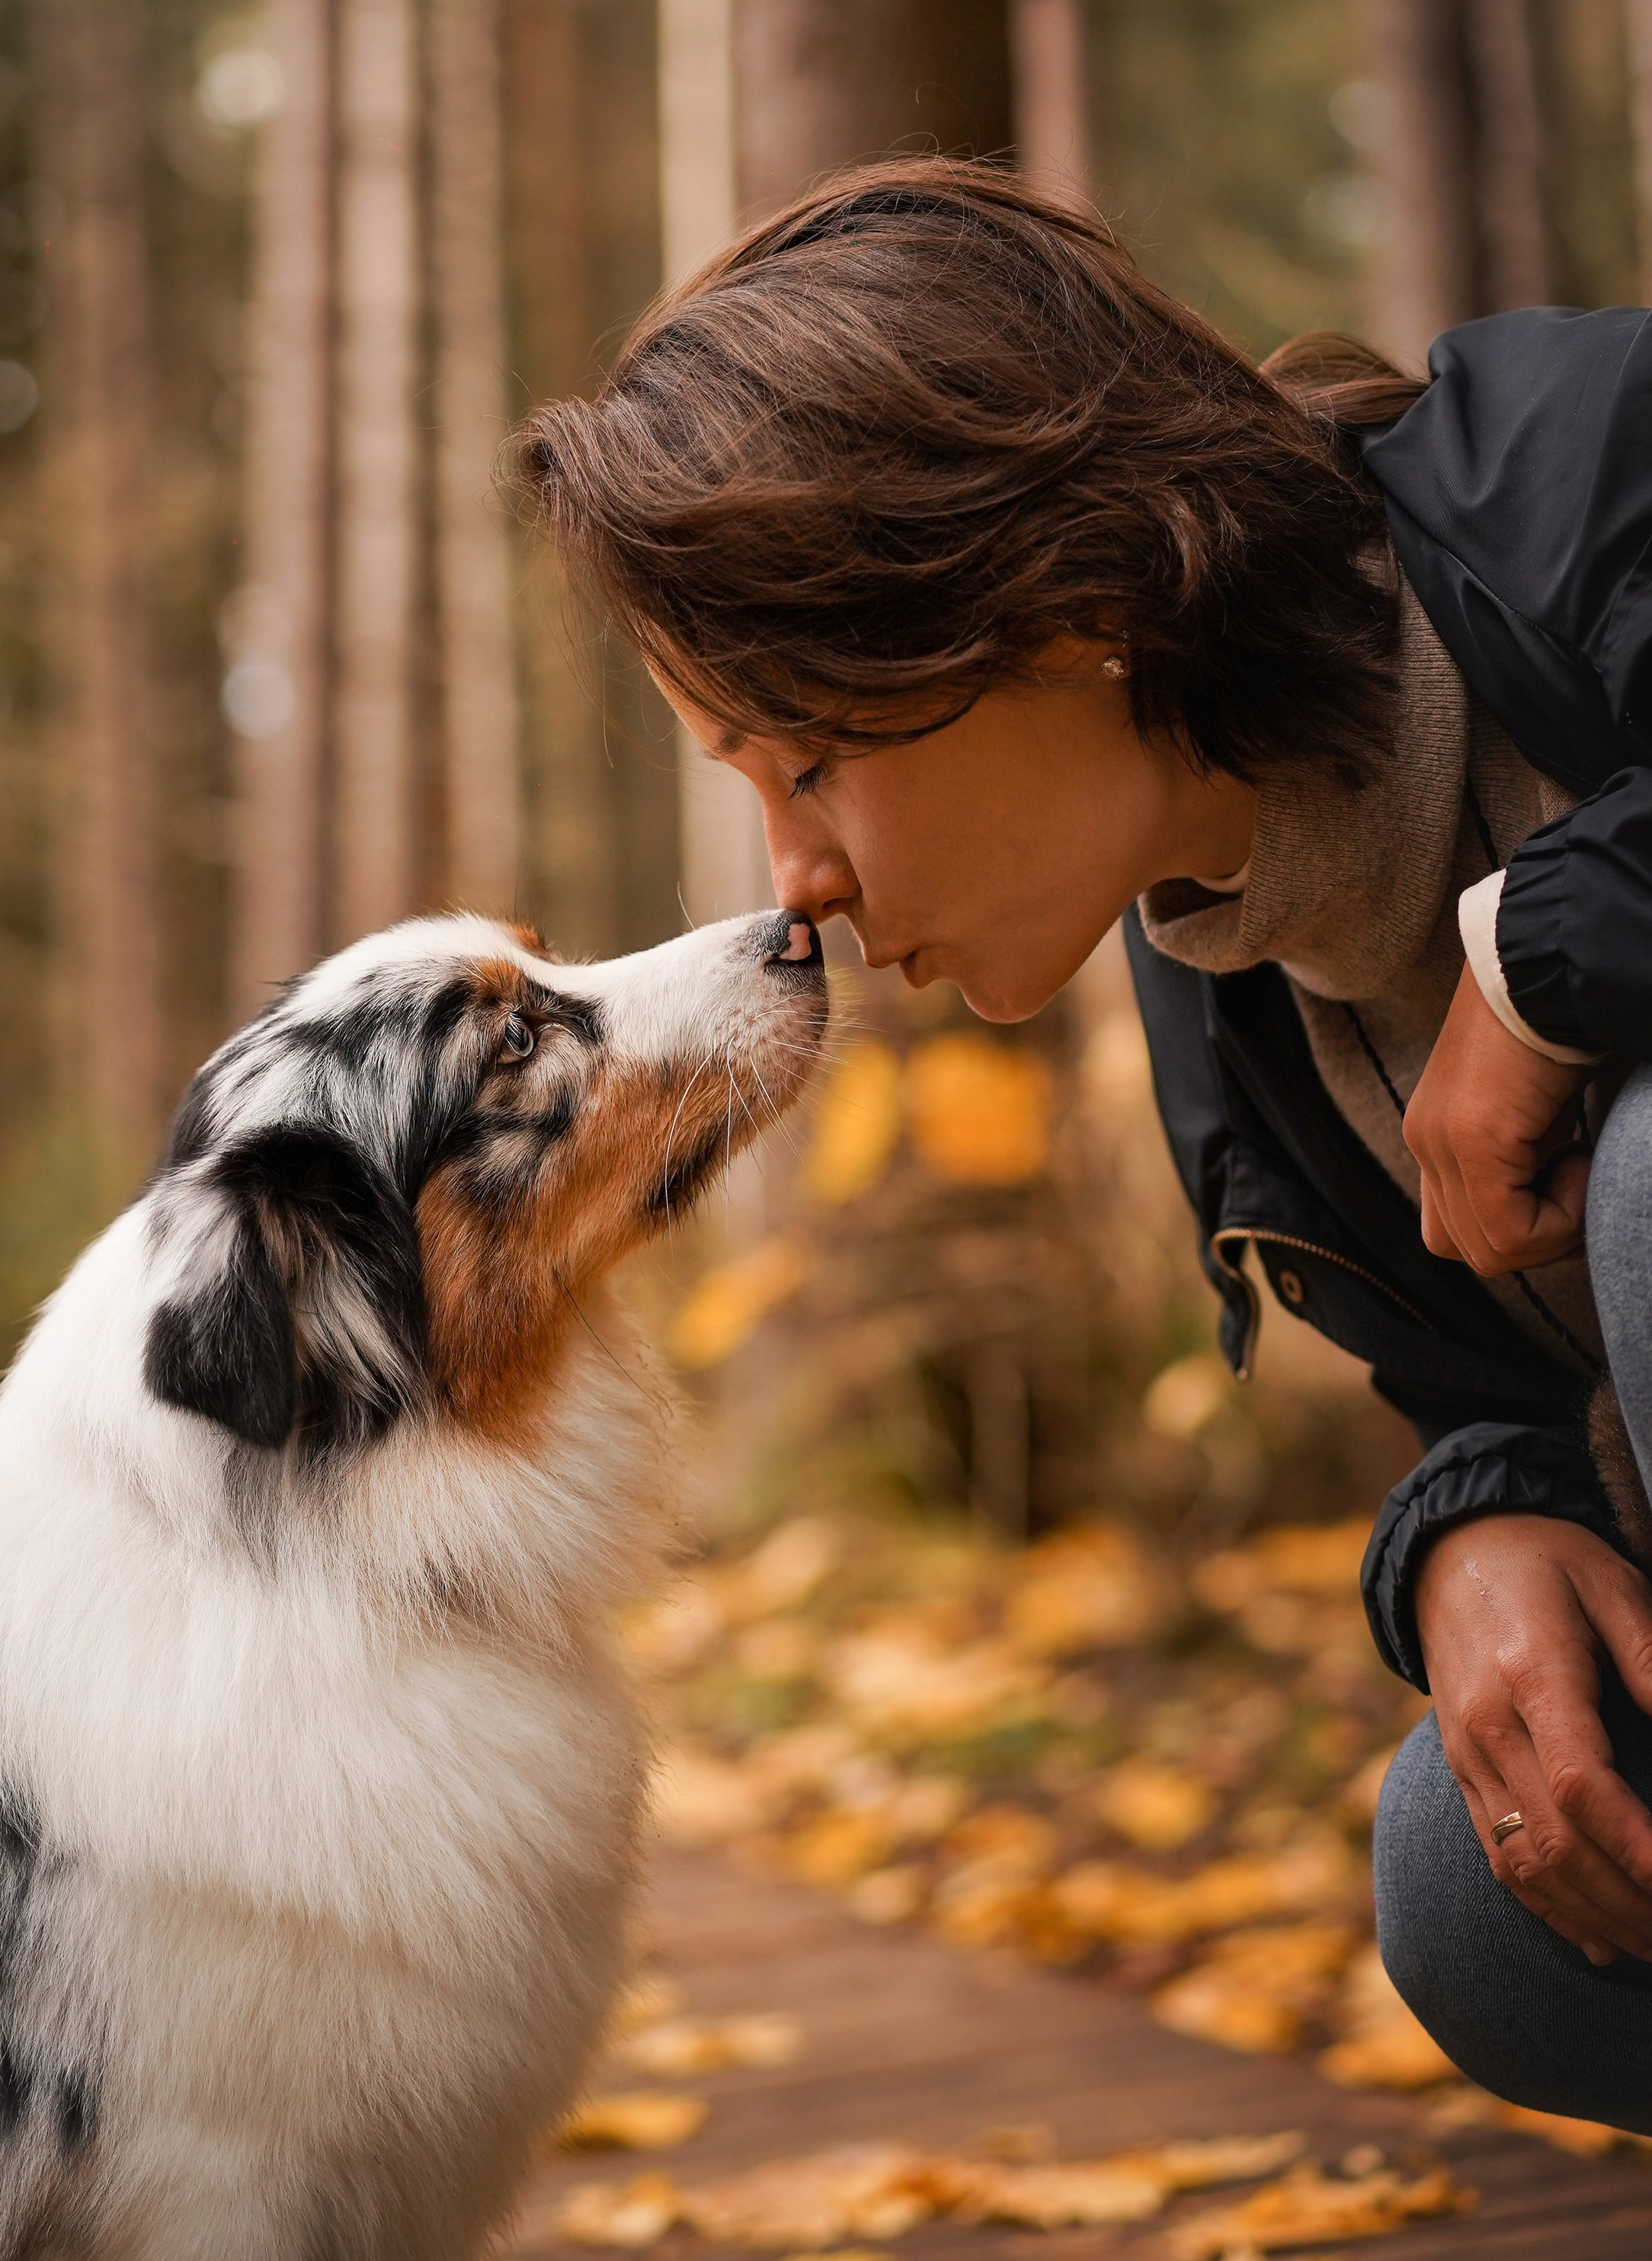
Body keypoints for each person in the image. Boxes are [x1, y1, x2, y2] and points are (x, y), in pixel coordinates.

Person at [513, 156, 1652, 2131]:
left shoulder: (1572, 469)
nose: (804, 889)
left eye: (809, 761)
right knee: (1474, 1894)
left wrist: (1542, 967)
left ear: (1065, 607)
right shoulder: (1228, 989)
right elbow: (1494, 1374)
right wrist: (1474, 1522)